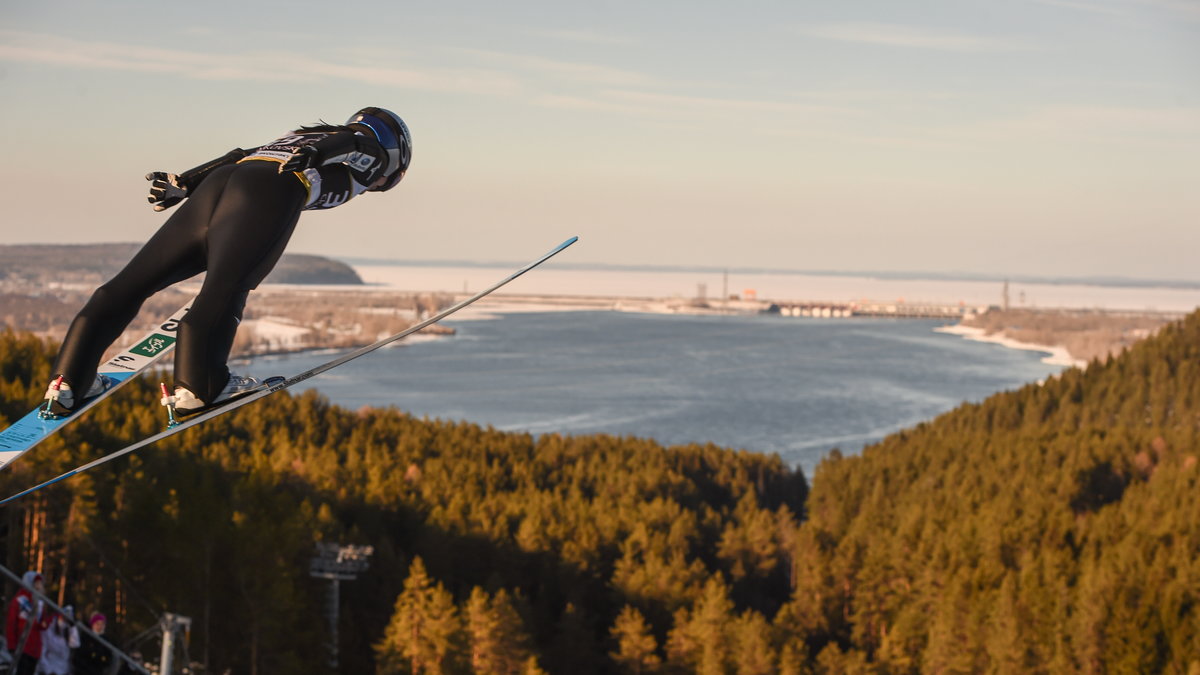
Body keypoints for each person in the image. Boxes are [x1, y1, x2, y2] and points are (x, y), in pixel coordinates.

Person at [43, 107, 412, 417]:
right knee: (226, 286)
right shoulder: (366, 151)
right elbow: (357, 142)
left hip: (221, 183)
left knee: (132, 282)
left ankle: (68, 380)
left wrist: (185, 183)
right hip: (272, 188)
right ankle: (199, 387)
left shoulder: (300, 136)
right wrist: (324, 155)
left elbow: (237, 156)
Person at [5, 571, 52, 675]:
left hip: (34, 649)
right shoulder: (20, 600)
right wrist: (11, 645)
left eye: (40, 583)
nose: (39, 586)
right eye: (37, 583)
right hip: (22, 646)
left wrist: (47, 621)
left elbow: (41, 625)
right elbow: (11, 624)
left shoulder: (40, 602)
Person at [34, 607, 78, 675]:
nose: (64, 621)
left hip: (63, 669)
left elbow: (75, 644)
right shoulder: (49, 629)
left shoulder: (68, 632)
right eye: (63, 617)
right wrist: (47, 670)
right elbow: (42, 650)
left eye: (67, 619)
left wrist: (73, 627)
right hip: (48, 668)